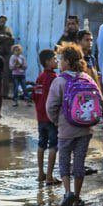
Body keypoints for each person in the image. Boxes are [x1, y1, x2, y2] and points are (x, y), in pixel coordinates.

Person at [47, 42, 102, 206]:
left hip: (65, 129)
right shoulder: (87, 78)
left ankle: (67, 192)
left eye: (61, 59)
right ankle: (77, 197)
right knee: (79, 162)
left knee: (64, 160)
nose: (59, 62)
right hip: (85, 129)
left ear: (67, 61)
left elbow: (51, 107)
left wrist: (57, 121)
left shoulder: (59, 81)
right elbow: (100, 102)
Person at [33, 49, 61, 184]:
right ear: (48, 62)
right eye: (55, 59)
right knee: (53, 146)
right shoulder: (54, 78)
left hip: (40, 118)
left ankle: (40, 173)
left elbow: (35, 96)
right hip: (51, 118)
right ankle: (49, 176)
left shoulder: (40, 77)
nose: (57, 61)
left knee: (41, 144)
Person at [0, 15, 15, 96]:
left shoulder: (8, 29)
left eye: (4, 21)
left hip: (6, 53)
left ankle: (5, 93)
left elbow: (12, 39)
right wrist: (6, 37)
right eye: (1, 20)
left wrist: (3, 38)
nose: (3, 22)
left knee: (6, 73)